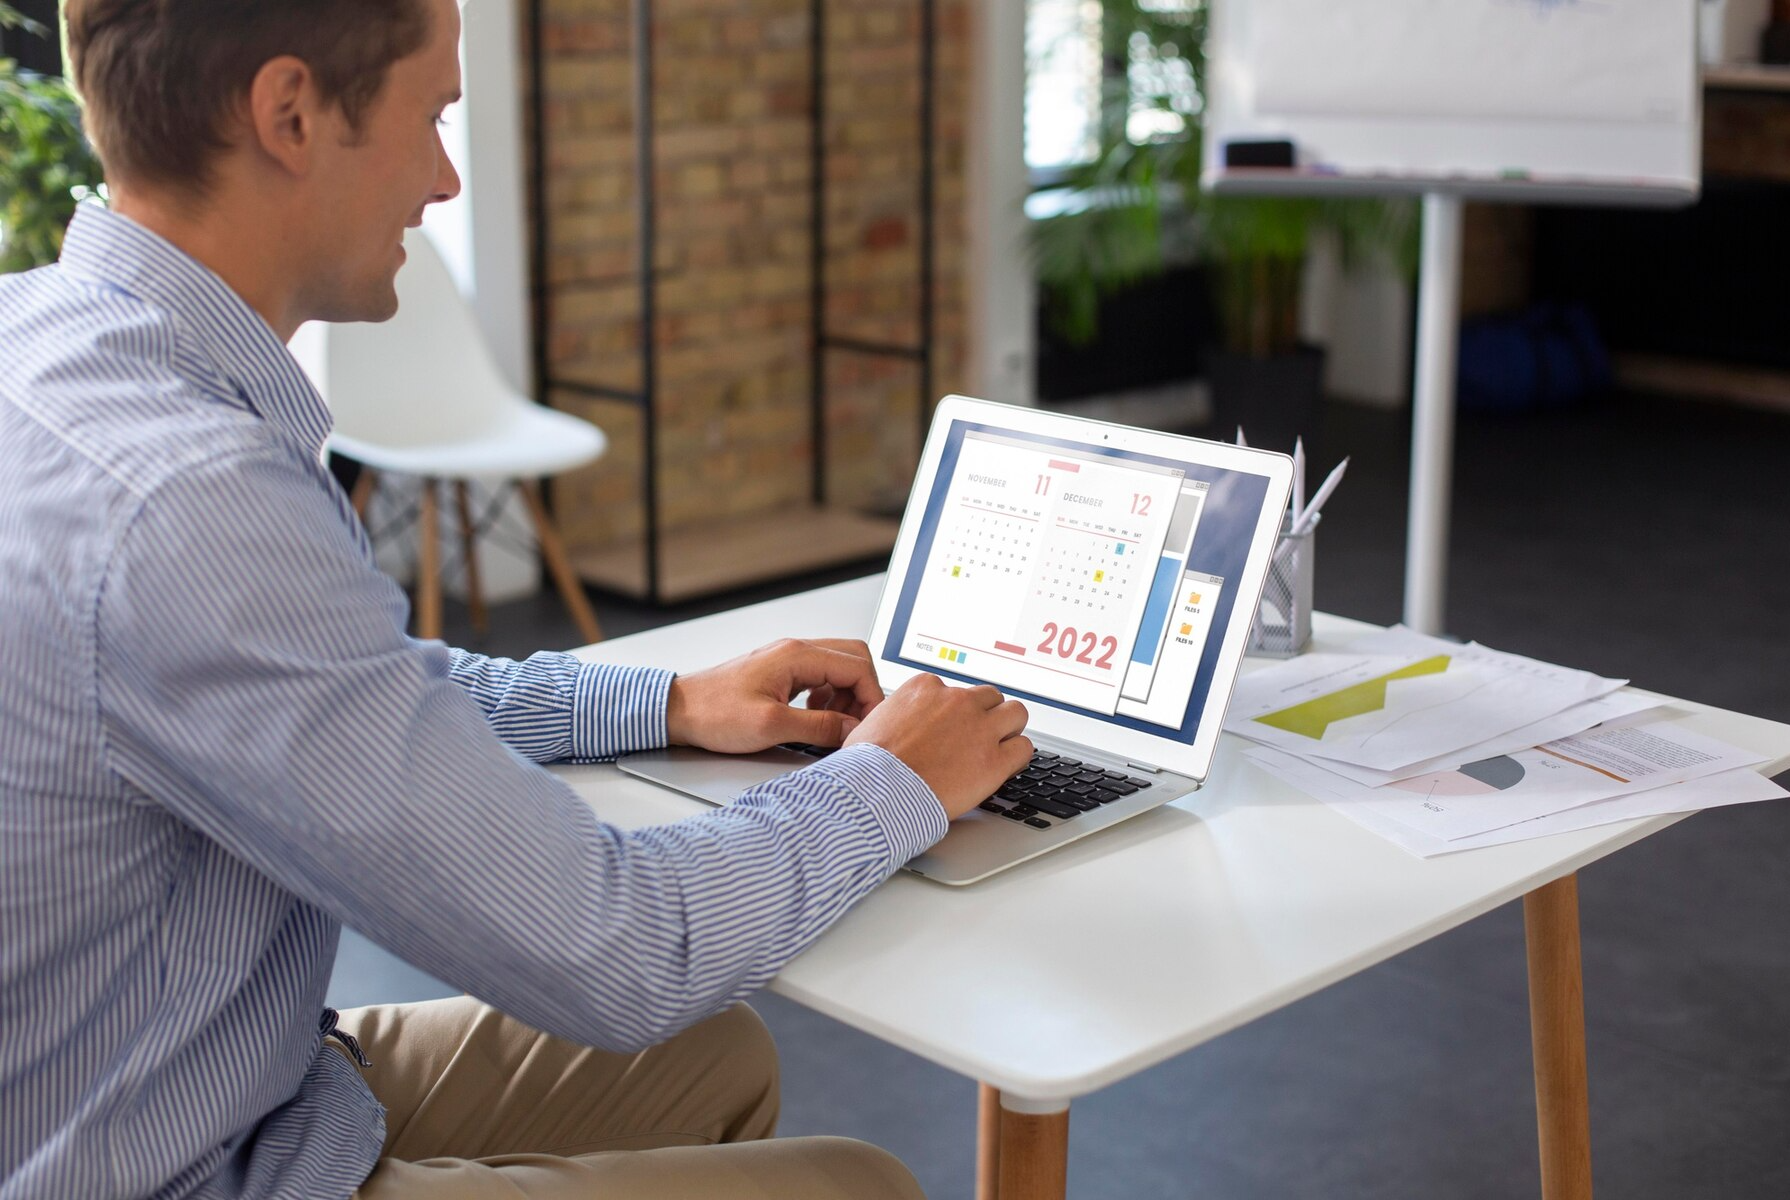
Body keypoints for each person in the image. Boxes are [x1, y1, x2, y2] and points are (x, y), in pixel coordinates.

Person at [0, 1, 1033, 1196]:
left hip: (197, 1078)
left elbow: (355, 702)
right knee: (865, 1185)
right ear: (289, 114)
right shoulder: (192, 502)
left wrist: (674, 701)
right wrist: (892, 782)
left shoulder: (44, 338)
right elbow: (624, 952)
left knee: (717, 1057)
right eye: (431, 117)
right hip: (164, 1166)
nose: (443, 179)